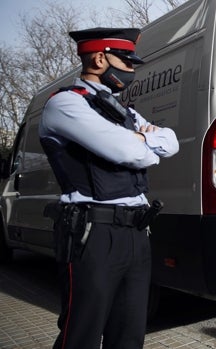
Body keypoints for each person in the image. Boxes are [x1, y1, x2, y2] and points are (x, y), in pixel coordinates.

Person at [39, 27, 179, 349]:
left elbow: (170, 142)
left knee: (129, 336)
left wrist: (141, 139)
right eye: (127, 62)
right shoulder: (64, 104)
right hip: (93, 235)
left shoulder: (123, 112)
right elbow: (127, 152)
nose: (131, 71)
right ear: (100, 59)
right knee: (82, 335)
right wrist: (145, 144)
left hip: (136, 234)